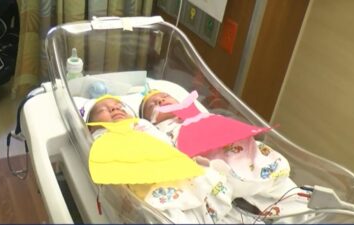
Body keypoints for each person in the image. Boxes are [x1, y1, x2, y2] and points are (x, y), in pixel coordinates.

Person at [81, 94, 266, 224]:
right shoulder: (99, 137)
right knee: (166, 212)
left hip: (174, 171)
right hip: (145, 181)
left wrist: (194, 162)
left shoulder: (142, 124)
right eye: (102, 109)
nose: (114, 108)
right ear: (91, 125)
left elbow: (166, 143)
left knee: (204, 196)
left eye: (119, 105)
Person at [139, 89, 313, 223]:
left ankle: (302, 211)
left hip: (237, 152)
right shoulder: (160, 129)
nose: (160, 100)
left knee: (270, 176)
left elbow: (227, 124)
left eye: (164, 96)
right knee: (213, 197)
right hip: (213, 167)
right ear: (151, 119)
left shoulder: (198, 113)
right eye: (152, 105)